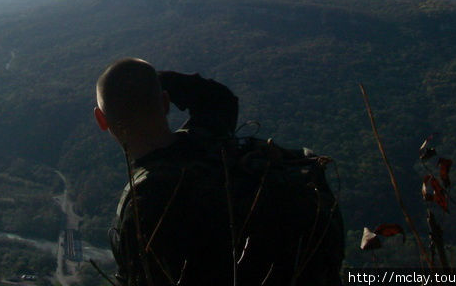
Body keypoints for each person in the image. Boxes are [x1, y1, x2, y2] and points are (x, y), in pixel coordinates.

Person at [94, 57, 344, 286]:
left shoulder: (144, 208)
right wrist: (148, 84)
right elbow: (216, 97)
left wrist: (130, 92)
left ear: (101, 121)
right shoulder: (211, 136)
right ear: (166, 102)